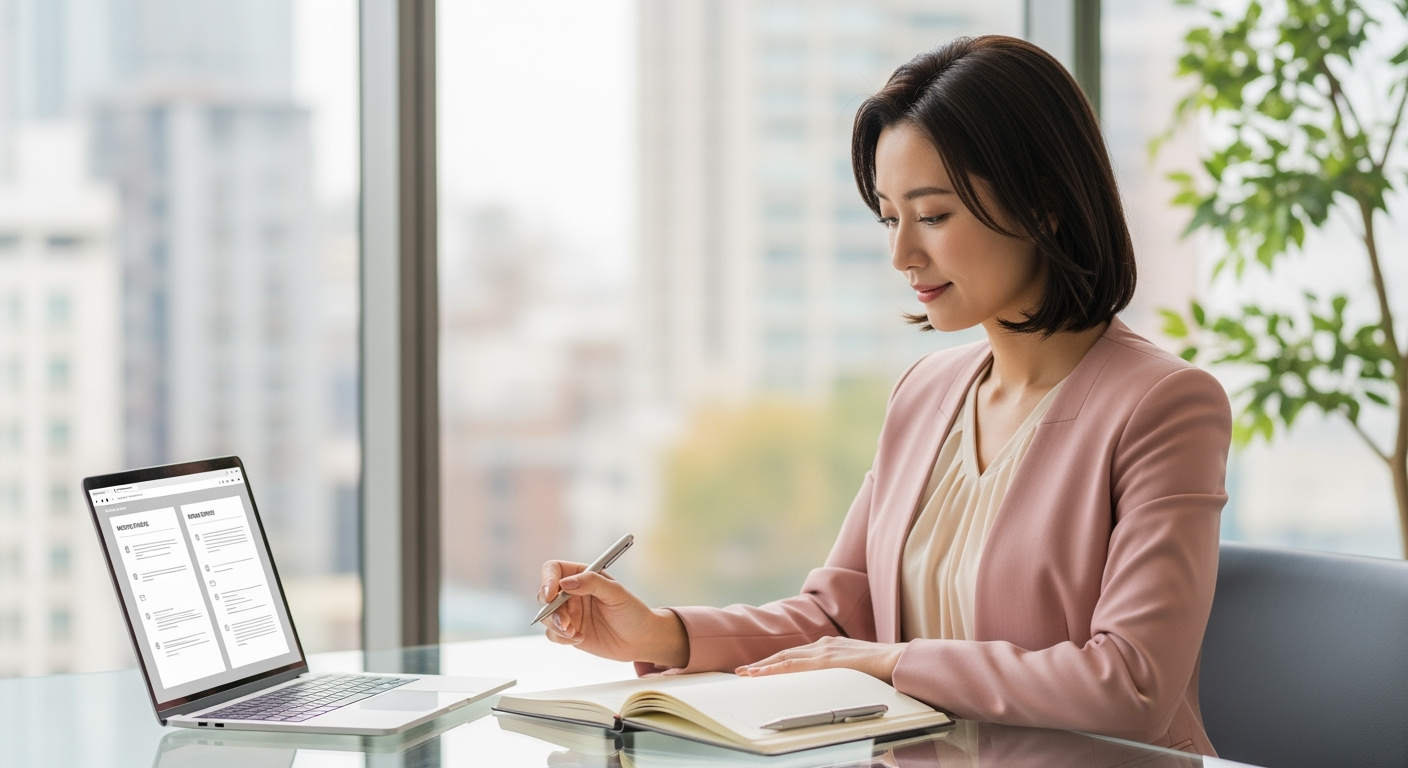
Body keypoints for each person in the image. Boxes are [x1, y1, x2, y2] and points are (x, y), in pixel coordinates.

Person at [538, 35, 1231, 756]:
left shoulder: (1165, 406)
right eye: (888, 217)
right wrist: (661, 633)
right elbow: (839, 615)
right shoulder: (925, 392)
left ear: (1045, 205)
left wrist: (893, 661)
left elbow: (1132, 686)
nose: (901, 255)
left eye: (932, 216)